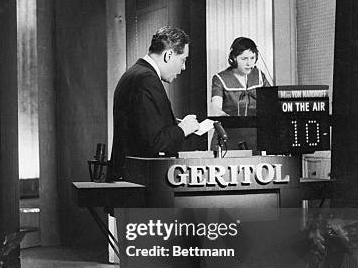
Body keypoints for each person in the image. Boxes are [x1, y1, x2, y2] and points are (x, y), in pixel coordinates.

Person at [108, 26, 199, 181]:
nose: (183, 68)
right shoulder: (146, 80)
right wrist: (183, 129)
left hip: (127, 176)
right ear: (169, 55)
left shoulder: (134, 74)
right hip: (139, 182)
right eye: (183, 60)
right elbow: (153, 143)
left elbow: (143, 129)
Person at [210, 36, 272, 117]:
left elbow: (271, 102)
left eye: (252, 58)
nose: (249, 63)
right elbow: (216, 110)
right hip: (231, 127)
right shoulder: (219, 79)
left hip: (257, 127)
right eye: (244, 59)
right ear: (234, 58)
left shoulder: (259, 75)